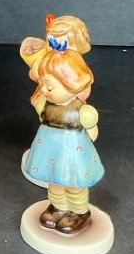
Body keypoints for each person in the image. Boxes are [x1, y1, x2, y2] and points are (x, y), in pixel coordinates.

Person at [23, 46, 104, 234]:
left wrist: (86, 145)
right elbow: (37, 102)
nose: (44, 90)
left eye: (50, 87)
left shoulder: (81, 111)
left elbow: (92, 133)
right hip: (49, 149)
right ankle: (58, 207)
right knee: (55, 181)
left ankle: (79, 211)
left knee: (74, 185)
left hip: (72, 152)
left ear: (72, 85)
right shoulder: (45, 104)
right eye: (42, 84)